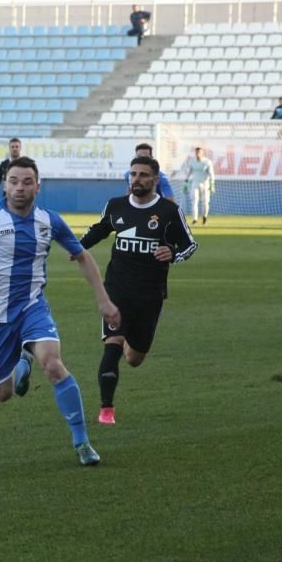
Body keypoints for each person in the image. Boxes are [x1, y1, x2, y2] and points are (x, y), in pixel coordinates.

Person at [0, 156, 119, 467]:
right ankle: (22, 366)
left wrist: (104, 300)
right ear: (4, 185)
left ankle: (82, 442)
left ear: (38, 186)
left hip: (32, 307)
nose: (19, 188)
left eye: (27, 182)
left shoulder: (49, 220)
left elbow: (81, 256)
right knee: (2, 393)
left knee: (54, 364)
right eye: (14, 181)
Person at [80, 156, 197, 424]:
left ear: (155, 180)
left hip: (150, 294)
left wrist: (173, 253)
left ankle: (125, 340)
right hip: (116, 290)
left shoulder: (168, 211)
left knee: (133, 358)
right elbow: (101, 229)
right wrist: (77, 246)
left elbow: (189, 244)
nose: (137, 179)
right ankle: (106, 410)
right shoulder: (116, 206)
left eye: (143, 175)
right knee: (112, 344)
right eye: (133, 174)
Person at [179, 147, 216, 225]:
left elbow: (211, 173)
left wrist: (212, 184)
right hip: (195, 183)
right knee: (194, 201)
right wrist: (186, 182)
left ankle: (204, 217)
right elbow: (189, 173)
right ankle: (195, 219)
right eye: (196, 152)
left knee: (205, 202)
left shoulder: (207, 162)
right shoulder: (192, 162)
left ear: (202, 153)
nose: (197, 154)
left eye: (199, 152)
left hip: (205, 184)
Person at [0, 137, 21, 202]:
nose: (15, 149)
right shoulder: (4, 164)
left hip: (21, 196)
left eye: (17, 147)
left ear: (20, 148)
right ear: (9, 148)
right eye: (12, 147)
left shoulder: (25, 164)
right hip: (7, 196)